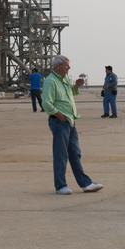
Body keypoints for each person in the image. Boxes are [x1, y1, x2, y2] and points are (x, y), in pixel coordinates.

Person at [42, 55, 103, 195]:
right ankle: (60, 186)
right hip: (59, 122)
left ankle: (86, 184)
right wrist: (59, 115)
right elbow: (46, 103)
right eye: (66, 65)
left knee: (75, 153)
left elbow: (70, 93)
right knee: (60, 155)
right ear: (58, 66)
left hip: (70, 121)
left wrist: (76, 86)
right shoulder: (50, 81)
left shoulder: (65, 80)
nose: (69, 68)